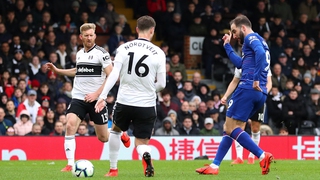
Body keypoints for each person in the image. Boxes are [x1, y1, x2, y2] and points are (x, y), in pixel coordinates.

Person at [46, 23, 130, 172]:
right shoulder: (79, 53)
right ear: (81, 37)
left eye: (91, 35)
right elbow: (78, 71)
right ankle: (70, 164)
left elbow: (111, 76)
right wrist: (58, 70)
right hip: (79, 97)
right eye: (86, 35)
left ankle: (120, 133)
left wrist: (97, 94)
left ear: (95, 36)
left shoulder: (102, 53)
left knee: (103, 138)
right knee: (70, 125)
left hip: (96, 99)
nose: (89, 38)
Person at [196, 15, 273, 176]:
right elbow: (241, 64)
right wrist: (227, 46)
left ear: (243, 27)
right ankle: (215, 165)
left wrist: (256, 79)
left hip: (247, 88)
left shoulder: (251, 38)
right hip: (259, 94)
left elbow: (259, 54)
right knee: (228, 128)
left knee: (231, 128)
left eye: (234, 31)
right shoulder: (258, 41)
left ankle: (261, 155)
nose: (234, 35)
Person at [95, 16, 166, 177]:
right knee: (141, 142)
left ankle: (113, 169)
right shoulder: (159, 53)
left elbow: (114, 74)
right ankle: (145, 153)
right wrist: (149, 90)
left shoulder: (123, 48)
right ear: (152, 31)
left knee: (115, 131)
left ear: (136, 29)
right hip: (147, 105)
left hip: (125, 101)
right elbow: (162, 84)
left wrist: (103, 95)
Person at [222, 67, 272, 165]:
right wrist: (225, 95)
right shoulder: (241, 64)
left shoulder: (263, 63)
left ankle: (251, 156)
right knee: (238, 127)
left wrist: (264, 93)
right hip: (243, 99)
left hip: (258, 98)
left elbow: (269, 82)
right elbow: (234, 81)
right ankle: (239, 157)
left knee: (255, 127)